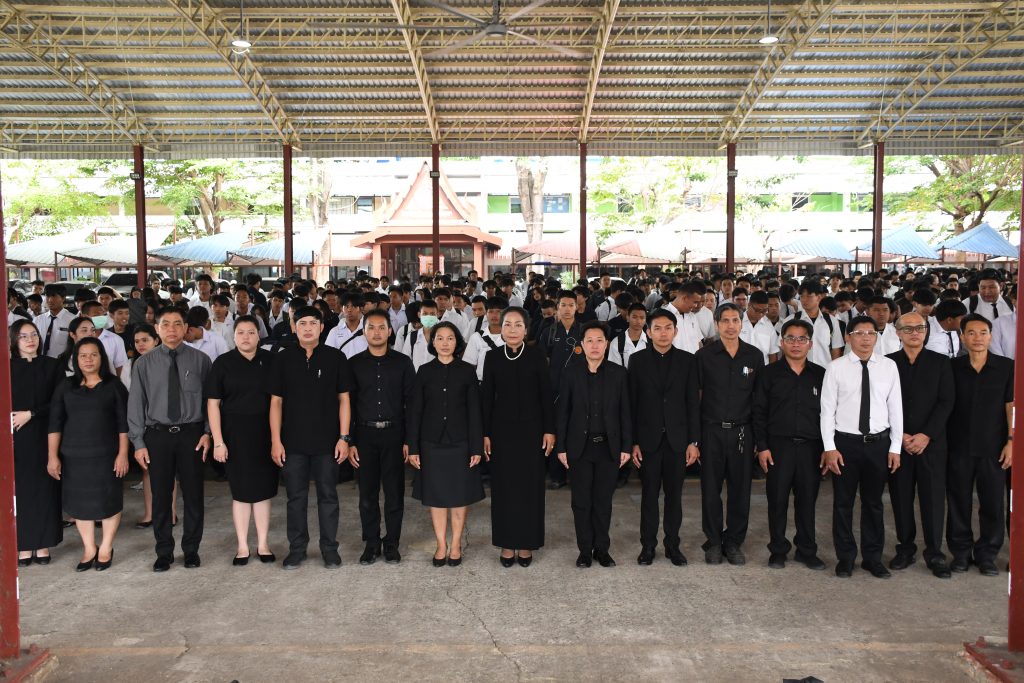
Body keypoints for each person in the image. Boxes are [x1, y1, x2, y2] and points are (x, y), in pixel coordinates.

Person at [128, 307, 213, 572]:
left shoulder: (200, 360)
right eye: (166, 324)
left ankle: (191, 550)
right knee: (161, 496)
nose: (172, 329)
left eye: (178, 324)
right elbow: (135, 405)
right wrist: (138, 443)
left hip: (192, 435)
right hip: (158, 436)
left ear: (186, 327)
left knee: (194, 495)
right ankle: (163, 551)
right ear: (157, 328)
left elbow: (211, 402)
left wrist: (208, 433)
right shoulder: (144, 363)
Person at [269, 306, 352, 569]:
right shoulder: (282, 359)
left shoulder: (335, 358)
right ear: (293, 327)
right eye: (301, 323)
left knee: (328, 496)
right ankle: (297, 548)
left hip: (328, 442)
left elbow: (344, 400)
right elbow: (275, 403)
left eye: (312, 323)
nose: (307, 328)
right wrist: (275, 440)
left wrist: (344, 437)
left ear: (321, 327)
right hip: (292, 442)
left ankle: (329, 548)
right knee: (296, 498)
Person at [820, 315, 903, 579]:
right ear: (848, 337)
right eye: (859, 333)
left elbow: (896, 409)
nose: (866, 338)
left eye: (871, 333)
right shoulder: (836, 367)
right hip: (845, 444)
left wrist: (896, 447)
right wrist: (830, 447)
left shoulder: (889, 367)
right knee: (843, 503)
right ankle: (845, 558)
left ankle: (872, 558)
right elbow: (826, 412)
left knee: (874, 503)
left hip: (878, 445)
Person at [47, 338, 130, 571]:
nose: (88, 360)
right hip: (74, 457)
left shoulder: (114, 386)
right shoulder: (66, 386)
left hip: (107, 455)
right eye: (83, 355)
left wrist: (123, 454)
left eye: (93, 354)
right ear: (75, 359)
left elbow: (124, 424)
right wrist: (53, 456)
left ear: (101, 357)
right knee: (79, 504)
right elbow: (55, 424)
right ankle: (89, 548)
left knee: (109, 501)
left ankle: (105, 547)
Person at [481, 307, 555, 567]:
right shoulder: (492, 357)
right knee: (503, 489)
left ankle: (526, 543)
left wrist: (549, 429)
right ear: (501, 329)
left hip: (533, 432)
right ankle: (506, 543)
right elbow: (487, 398)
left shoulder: (536, 355)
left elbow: (546, 395)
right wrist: (485, 433)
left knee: (530, 488)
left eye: (517, 324)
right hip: (501, 433)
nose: (512, 329)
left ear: (526, 329)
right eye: (507, 324)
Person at [406, 321, 485, 567]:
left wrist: (476, 447)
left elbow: (475, 411)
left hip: (460, 442)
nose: (444, 343)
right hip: (431, 442)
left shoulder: (466, 371)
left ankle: (457, 542)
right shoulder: (424, 371)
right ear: (433, 342)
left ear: (457, 342)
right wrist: (414, 446)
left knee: (459, 495)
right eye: (439, 338)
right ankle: (441, 543)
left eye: (450, 338)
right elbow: (415, 411)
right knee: (436, 496)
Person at [556, 321, 632, 569]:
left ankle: (602, 549)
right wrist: (561, 447)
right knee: (581, 501)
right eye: (589, 340)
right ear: (581, 345)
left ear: (607, 344)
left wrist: (626, 447)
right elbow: (563, 412)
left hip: (608, 447)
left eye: (600, 340)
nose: (595, 345)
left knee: (603, 501)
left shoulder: (618, 373)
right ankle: (584, 551)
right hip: (580, 447)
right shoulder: (571, 373)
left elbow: (625, 414)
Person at [752, 319, 827, 571]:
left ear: (810, 343)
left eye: (802, 339)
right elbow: (759, 412)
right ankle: (778, 549)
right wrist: (762, 446)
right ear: (781, 342)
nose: (796, 344)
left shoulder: (821, 375)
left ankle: (807, 550)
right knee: (777, 500)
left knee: (807, 501)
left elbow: (829, 415)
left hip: (811, 448)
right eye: (791, 339)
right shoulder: (768, 374)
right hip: (778, 448)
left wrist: (828, 448)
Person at [627, 309, 699, 566]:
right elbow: (632, 404)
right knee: (648, 496)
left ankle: (673, 545)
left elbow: (693, 403)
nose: (663, 332)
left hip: (678, 441)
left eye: (668, 327)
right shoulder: (637, 361)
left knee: (674, 497)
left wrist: (693, 441)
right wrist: (633, 441)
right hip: (647, 442)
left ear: (675, 331)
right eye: (657, 328)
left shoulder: (688, 361)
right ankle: (648, 546)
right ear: (648, 332)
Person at [695, 303, 764, 566]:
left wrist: (758, 438)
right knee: (710, 490)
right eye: (725, 320)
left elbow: (759, 401)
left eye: (736, 320)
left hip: (742, 432)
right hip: (711, 430)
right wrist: (696, 438)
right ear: (716, 324)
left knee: (740, 490)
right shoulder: (704, 356)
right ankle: (713, 542)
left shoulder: (754, 356)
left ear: (741, 323)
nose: (731, 325)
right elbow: (695, 397)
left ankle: (734, 541)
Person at [886, 312, 955, 579]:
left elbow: (946, 402)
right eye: (908, 329)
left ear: (926, 332)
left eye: (920, 328)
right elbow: (883, 403)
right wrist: (901, 435)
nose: (915, 333)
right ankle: (905, 548)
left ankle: (935, 553)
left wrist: (927, 435)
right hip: (898, 443)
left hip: (932, 444)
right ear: (898, 332)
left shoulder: (940, 363)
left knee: (933, 500)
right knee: (901, 498)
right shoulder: (888, 363)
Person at [207, 315, 279, 566]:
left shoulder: (271, 361)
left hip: (265, 433)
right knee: (240, 492)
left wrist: (278, 439)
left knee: (262, 491)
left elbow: (278, 402)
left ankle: (263, 543)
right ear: (233, 335)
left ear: (259, 335)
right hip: (233, 434)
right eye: (241, 333)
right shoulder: (223, 363)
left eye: (251, 332)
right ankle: (242, 546)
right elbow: (213, 404)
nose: (246, 337)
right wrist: (218, 440)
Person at [947, 313, 1014, 577]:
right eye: (971, 333)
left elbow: (1011, 407)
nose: (977, 338)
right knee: (958, 501)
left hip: (994, 447)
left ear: (991, 336)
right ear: (962, 337)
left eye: (983, 332)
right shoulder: (952, 368)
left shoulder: (1006, 367)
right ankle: (961, 553)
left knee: (992, 503)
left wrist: (1011, 441)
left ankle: (987, 554)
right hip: (958, 446)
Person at [347, 310, 415, 565]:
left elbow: (412, 402)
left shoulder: (402, 362)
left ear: (389, 331)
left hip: (394, 434)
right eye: (371, 327)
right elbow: (348, 405)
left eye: (381, 327)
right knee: (367, 494)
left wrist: (410, 440)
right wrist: (350, 440)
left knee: (394, 493)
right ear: (364, 332)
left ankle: (392, 543)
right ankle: (371, 543)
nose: (376, 332)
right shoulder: (353, 364)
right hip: (364, 435)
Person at [10, 319, 64, 566]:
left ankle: (42, 543)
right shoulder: (6, 367)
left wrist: (31, 414)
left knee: (44, 489)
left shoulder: (52, 366)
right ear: (14, 340)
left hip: (46, 434)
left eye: (34, 334)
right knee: (20, 492)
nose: (30, 340)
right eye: (23, 336)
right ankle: (23, 545)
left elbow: (60, 402)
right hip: (16, 438)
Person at [542, 291, 582, 490]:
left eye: (571, 305)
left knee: (577, 430)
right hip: (554, 391)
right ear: (558, 307)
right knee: (556, 430)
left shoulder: (583, 331)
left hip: (579, 390)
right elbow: (542, 362)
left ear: (577, 307)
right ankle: (557, 475)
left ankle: (575, 473)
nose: (567, 309)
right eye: (563, 305)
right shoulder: (549, 331)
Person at [34, 284, 76, 359]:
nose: (50, 300)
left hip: (63, 364)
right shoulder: (37, 320)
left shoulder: (73, 320)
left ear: (63, 298)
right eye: (47, 296)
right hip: (41, 363)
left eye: (54, 296)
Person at [607, 303, 649, 369]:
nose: (638, 321)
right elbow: (614, 370)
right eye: (634, 317)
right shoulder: (616, 343)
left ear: (645, 320)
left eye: (642, 318)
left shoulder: (652, 342)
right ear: (628, 318)